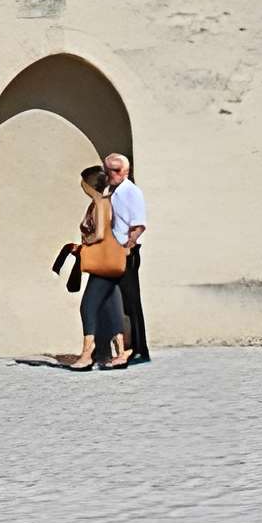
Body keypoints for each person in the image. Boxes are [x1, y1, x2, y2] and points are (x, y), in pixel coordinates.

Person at [65, 163, 128, 371]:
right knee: (112, 305)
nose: (82, 186)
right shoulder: (112, 202)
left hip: (102, 261)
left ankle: (86, 355)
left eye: (84, 182)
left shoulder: (100, 202)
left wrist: (85, 244)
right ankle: (120, 353)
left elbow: (99, 234)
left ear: (89, 184)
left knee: (88, 306)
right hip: (113, 261)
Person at [103, 152, 149, 364]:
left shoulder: (131, 192)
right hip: (116, 252)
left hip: (127, 253)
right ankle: (125, 347)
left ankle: (140, 349)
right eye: (108, 169)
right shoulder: (114, 192)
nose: (109, 174)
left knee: (132, 302)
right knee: (119, 302)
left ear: (124, 171)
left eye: (113, 170)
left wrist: (127, 248)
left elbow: (138, 225)